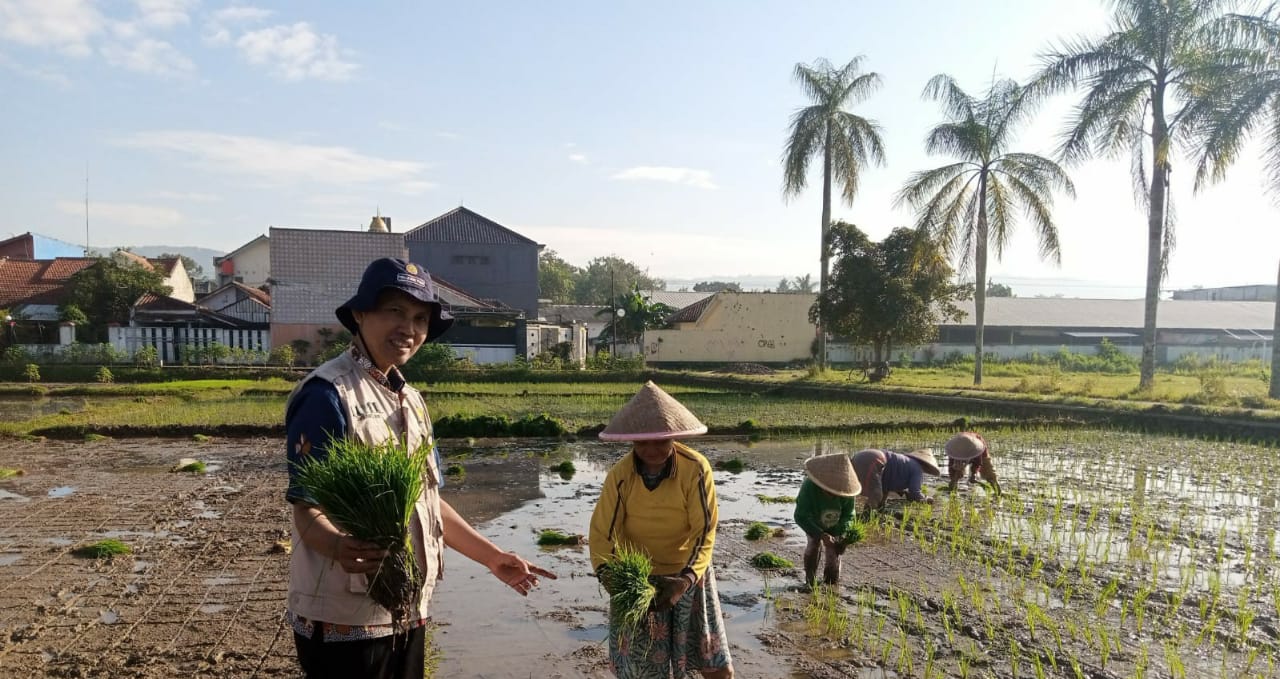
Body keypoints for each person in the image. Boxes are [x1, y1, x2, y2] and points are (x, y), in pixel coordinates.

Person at [283, 257, 556, 679]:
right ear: (360, 313)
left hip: (407, 607)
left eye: (419, 318)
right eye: (394, 311)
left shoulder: (410, 399)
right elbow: (306, 506)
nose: (408, 328)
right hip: (345, 615)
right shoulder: (328, 395)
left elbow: (429, 501)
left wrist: (493, 557)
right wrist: (339, 545)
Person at [588, 381, 734, 679]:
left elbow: (704, 530)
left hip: (685, 575)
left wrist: (686, 579)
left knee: (715, 666)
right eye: (643, 442)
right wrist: (612, 579)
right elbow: (602, 532)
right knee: (642, 671)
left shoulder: (695, 468)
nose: (652, 449)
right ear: (632, 442)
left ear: (673, 437)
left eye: (660, 441)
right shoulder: (620, 475)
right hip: (639, 580)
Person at [793, 453, 861, 588]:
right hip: (813, 521)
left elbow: (848, 515)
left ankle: (831, 584)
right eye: (829, 491)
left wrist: (841, 535)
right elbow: (801, 516)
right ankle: (810, 581)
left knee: (833, 553)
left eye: (836, 492)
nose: (833, 494)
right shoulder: (809, 487)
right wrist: (821, 534)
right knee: (813, 544)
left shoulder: (846, 489)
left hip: (835, 523)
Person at [850, 448, 941, 510]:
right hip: (874, 459)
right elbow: (915, 493)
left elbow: (885, 485)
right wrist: (926, 499)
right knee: (876, 494)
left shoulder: (906, 462)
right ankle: (865, 519)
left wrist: (882, 503)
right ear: (927, 466)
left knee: (849, 488)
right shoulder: (917, 469)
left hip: (862, 456)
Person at [944, 431, 1002, 496]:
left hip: (977, 448)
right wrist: (953, 478)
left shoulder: (977, 447)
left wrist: (973, 474)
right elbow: (951, 466)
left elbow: (978, 462)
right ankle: (953, 492)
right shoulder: (955, 449)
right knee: (955, 473)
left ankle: (998, 492)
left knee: (989, 472)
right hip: (960, 449)